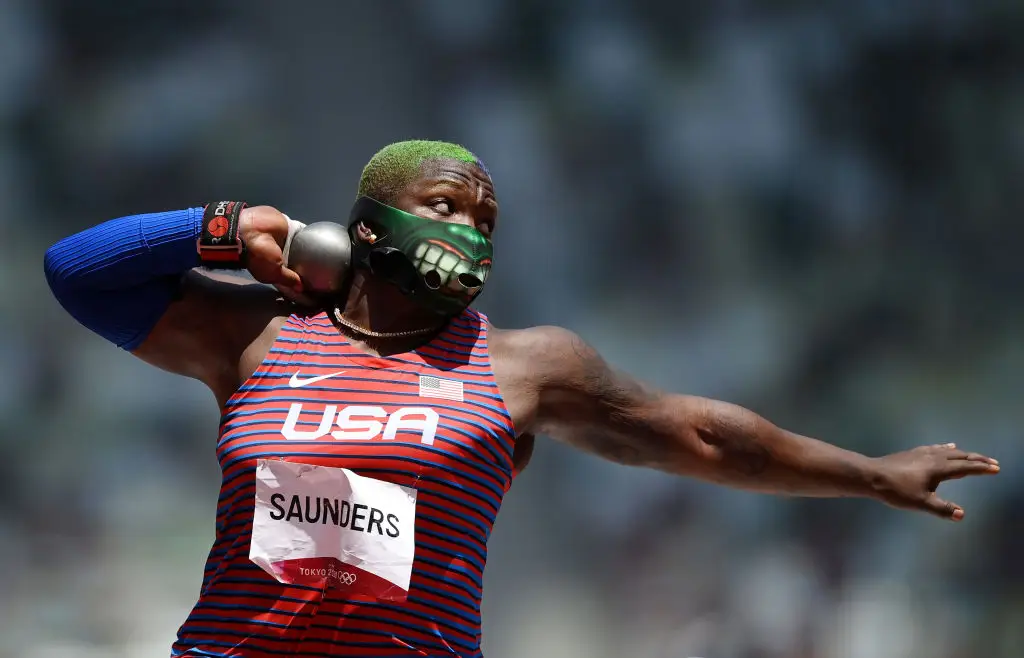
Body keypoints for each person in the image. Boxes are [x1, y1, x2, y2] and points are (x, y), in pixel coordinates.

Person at [44, 140, 999, 658]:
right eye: (446, 207)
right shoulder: (257, 335)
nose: (471, 232)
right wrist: (224, 227)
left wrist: (869, 474)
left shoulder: (524, 367)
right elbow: (78, 275)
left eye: (487, 220)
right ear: (365, 228)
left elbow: (701, 436)